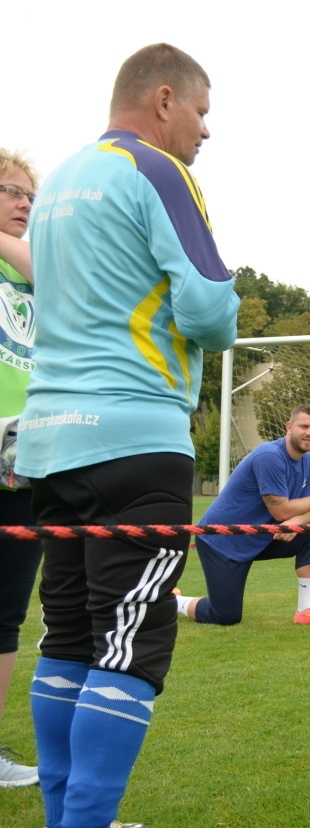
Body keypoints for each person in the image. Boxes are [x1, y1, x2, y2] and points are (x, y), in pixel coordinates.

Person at [16, 44, 239, 828]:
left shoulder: (59, 184)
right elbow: (211, 309)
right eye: (204, 112)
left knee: (69, 635)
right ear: (166, 99)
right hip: (134, 439)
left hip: (50, 443)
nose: (206, 131)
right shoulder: (158, 171)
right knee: (129, 646)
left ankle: (64, 819)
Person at [176, 406, 310, 626]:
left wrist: (296, 523)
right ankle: (172, 601)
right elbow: (281, 511)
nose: (309, 432)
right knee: (225, 616)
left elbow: (307, 512)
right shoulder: (269, 456)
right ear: (288, 427)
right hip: (222, 541)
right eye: (304, 426)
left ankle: (306, 611)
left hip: (262, 537)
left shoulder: (309, 462)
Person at [0, 149, 39, 789]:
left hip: (25, 458)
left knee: (5, 613)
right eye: (11, 190)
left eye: (30, 195)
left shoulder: (31, 270)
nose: (24, 202)